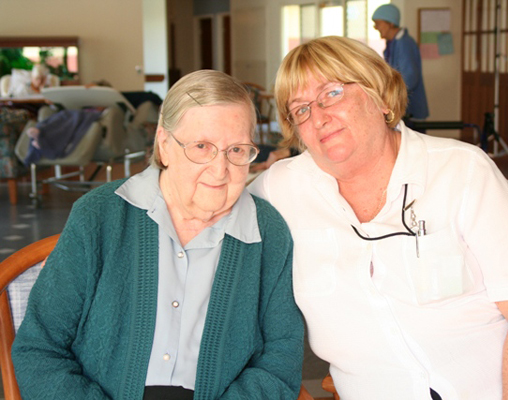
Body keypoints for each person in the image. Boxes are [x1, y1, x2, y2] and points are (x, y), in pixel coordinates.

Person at [248, 36, 508, 400]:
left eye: (332, 93)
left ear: (381, 96)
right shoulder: (282, 190)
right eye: (300, 109)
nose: (318, 117)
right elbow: (214, 231)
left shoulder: (463, 172)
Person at [12, 70, 305, 400]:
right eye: (201, 146)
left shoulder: (268, 232)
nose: (220, 169)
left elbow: (280, 364)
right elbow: (39, 349)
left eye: (236, 150)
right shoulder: (99, 216)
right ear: (165, 146)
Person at [372, 3, 429, 120]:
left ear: (390, 23)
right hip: (401, 109)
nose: (375, 27)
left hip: (410, 111)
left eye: (378, 23)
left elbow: (409, 79)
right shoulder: (392, 44)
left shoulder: (404, 43)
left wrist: (388, 96)